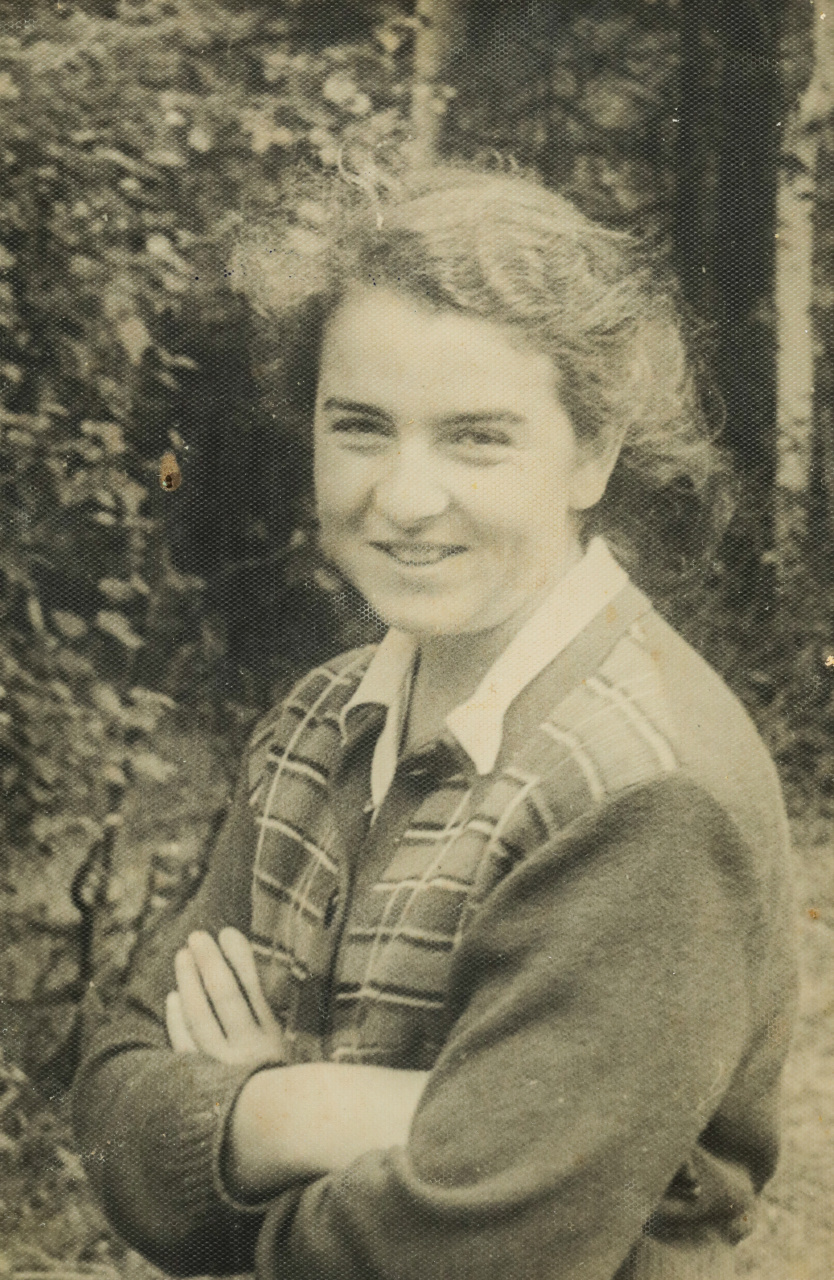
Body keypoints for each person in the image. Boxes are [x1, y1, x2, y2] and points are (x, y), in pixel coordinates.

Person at [73, 165, 797, 1280]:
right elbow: (116, 1100)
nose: (406, 498)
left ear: (593, 453)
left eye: (476, 438)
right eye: (361, 427)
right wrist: (307, 1110)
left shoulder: (648, 793)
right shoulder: (321, 720)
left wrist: (237, 1126)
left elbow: (460, 1256)